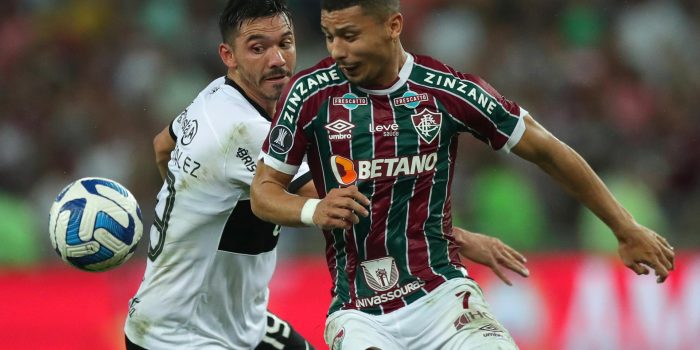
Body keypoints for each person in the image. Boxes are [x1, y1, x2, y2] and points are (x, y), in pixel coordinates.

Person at [250, 0, 676, 349]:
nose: (338, 50)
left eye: (350, 35)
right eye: (329, 36)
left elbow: (547, 150)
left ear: (393, 25)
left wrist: (624, 227)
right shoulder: (310, 93)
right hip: (360, 312)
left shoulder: (445, 91)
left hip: (443, 298)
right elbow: (263, 192)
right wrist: (313, 209)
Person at [124, 1, 529, 349]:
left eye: (284, 43)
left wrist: (200, 208)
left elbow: (164, 145)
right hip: (180, 334)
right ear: (228, 55)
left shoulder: (213, 96)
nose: (277, 59)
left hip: (230, 319)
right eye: (257, 48)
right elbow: (364, 212)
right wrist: (461, 238)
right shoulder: (243, 130)